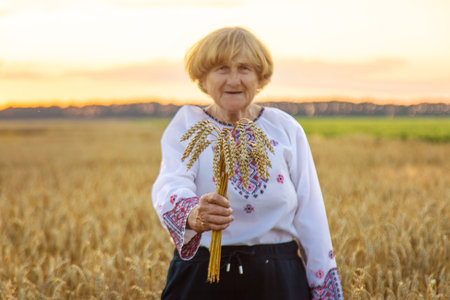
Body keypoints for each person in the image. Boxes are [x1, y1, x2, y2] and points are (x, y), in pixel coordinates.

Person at [152, 27, 343, 300]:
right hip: (202, 276)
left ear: (259, 77)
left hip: (278, 279)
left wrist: (325, 291)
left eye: (244, 68)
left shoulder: (285, 129)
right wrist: (194, 214)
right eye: (221, 68)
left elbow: (312, 215)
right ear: (203, 78)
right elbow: (170, 184)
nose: (233, 79)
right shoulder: (186, 126)